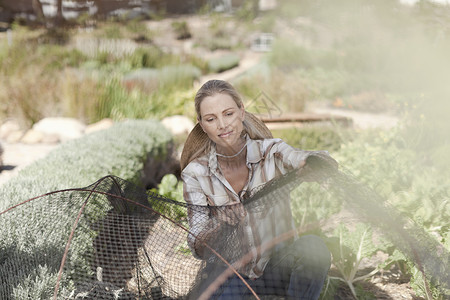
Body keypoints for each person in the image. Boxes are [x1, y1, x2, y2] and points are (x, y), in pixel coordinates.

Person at [180, 79, 335, 300]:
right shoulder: (195, 174)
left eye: (228, 114)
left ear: (241, 112)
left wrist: (309, 162)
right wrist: (220, 225)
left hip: (278, 266)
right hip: (232, 274)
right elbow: (197, 244)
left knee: (314, 248)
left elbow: (305, 157)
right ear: (202, 125)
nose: (222, 125)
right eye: (211, 119)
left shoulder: (271, 152)